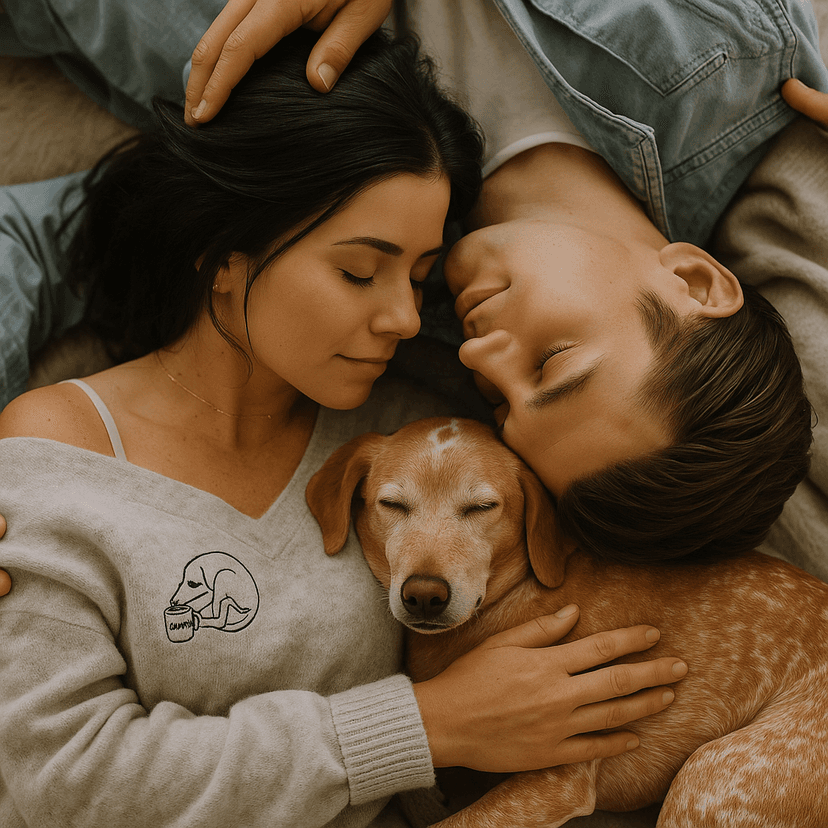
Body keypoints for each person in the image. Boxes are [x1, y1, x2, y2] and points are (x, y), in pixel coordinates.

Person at [0, 29, 686, 828]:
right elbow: (63, 781)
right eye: (360, 270)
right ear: (225, 254)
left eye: (420, 276)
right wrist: (428, 724)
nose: (401, 316)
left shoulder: (422, 435)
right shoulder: (61, 445)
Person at [0, 0, 825, 568]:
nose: (484, 356)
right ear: (692, 278)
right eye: (552, 364)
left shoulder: (380, 310)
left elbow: (61, 238)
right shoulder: (716, 58)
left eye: (503, 405)